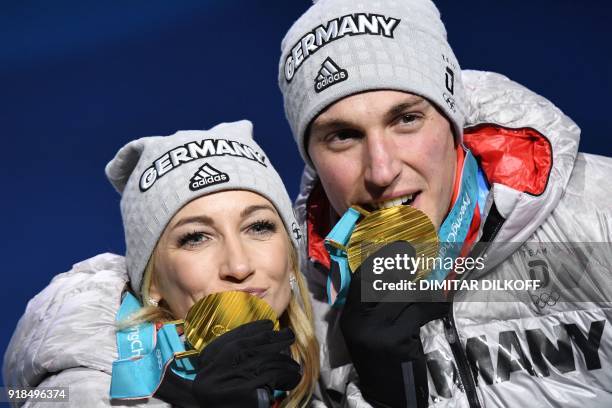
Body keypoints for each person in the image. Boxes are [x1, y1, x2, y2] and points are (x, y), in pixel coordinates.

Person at [278, 0, 612, 407]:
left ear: (453, 122)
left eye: (406, 120)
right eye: (344, 135)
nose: (381, 170)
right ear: (313, 158)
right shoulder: (299, 305)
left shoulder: (601, 209)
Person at [3, 120, 319, 407]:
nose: (238, 266)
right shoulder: (82, 392)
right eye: (196, 237)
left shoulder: (328, 365)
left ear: (290, 257)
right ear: (153, 282)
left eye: (258, 227)